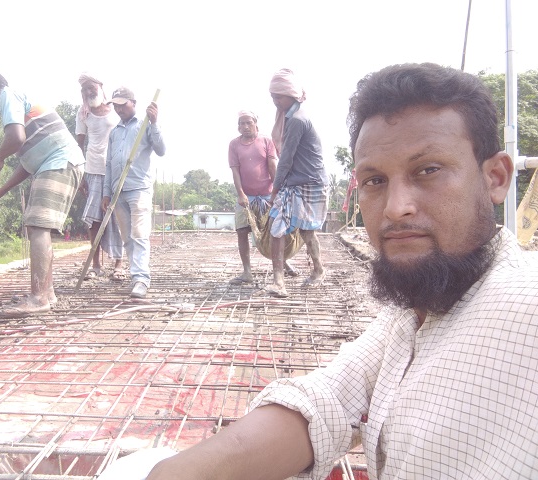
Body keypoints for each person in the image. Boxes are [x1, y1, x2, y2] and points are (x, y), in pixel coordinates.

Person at [146, 63, 538, 479]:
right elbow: (328, 399)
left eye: (428, 171)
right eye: (375, 180)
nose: (396, 208)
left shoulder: (525, 309)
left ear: (496, 178)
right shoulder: (413, 315)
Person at [0, 70, 85, 316]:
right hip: (55, 163)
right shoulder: (16, 107)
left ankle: (38, 298)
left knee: (37, 225)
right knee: (36, 227)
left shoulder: (8, 96)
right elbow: (27, 162)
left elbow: (15, 137)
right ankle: (47, 293)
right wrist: (0, 192)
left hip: (60, 161)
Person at [266, 68, 328, 298]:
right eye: (272, 97)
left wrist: (274, 191)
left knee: (299, 230)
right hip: (301, 181)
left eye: (278, 97)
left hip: (309, 182)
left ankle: (300, 276)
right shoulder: (293, 117)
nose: (275, 101)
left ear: (291, 95)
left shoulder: (297, 121)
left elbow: (285, 159)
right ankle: (284, 280)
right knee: (286, 227)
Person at [101, 87, 165, 299]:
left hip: (139, 189)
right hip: (118, 191)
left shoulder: (144, 124)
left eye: (123, 105)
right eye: (116, 106)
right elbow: (109, 164)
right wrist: (106, 192)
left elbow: (161, 150)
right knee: (127, 237)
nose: (119, 109)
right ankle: (135, 276)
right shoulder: (114, 132)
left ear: (133, 103)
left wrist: (154, 123)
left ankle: (141, 279)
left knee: (139, 235)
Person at [228, 110, 297, 284]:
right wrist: (241, 194)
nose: (245, 126)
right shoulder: (234, 145)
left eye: (248, 122)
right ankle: (247, 272)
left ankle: (283, 264)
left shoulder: (266, 141)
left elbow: (273, 168)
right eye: (241, 123)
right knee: (242, 231)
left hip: (267, 195)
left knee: (276, 230)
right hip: (247, 197)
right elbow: (235, 172)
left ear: (255, 124)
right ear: (238, 127)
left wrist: (277, 192)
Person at [75, 73, 124, 279]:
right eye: (84, 89)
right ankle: (95, 265)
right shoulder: (83, 113)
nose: (88, 92)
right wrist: (80, 175)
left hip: (116, 170)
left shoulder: (116, 109)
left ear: (100, 87)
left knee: (118, 217)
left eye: (91, 87)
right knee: (94, 220)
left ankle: (119, 265)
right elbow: (79, 145)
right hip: (93, 169)